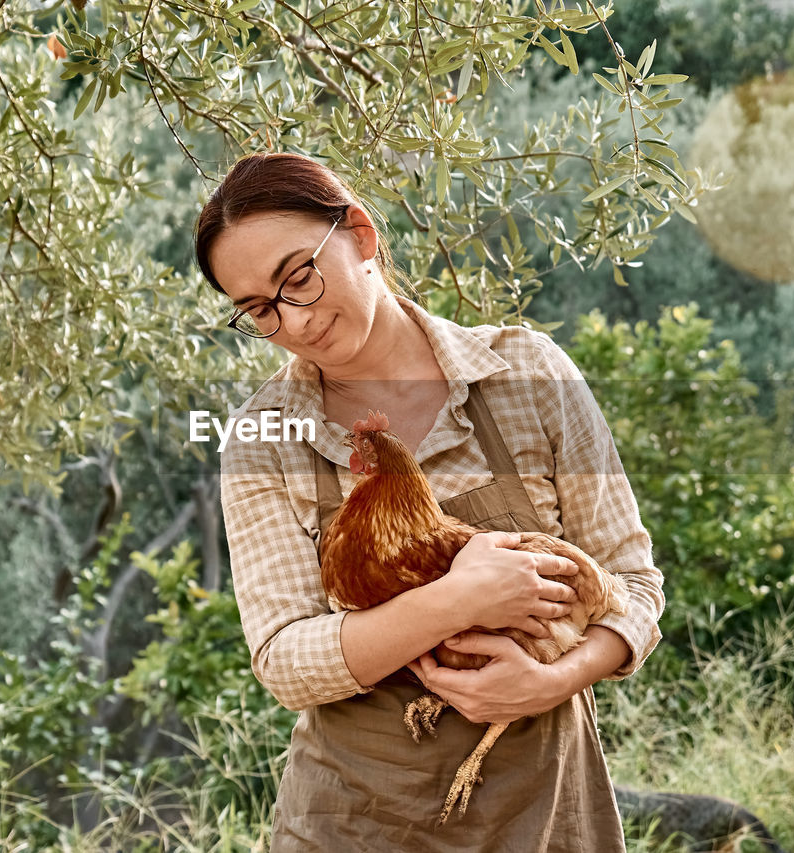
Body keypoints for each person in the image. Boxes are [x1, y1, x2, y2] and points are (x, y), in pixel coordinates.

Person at [196, 151, 663, 851]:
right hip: (353, 823)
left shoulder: (529, 374)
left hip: (540, 816)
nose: (293, 320)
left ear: (360, 233)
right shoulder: (264, 438)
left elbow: (634, 583)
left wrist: (552, 679)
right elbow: (284, 657)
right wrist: (459, 599)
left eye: (298, 276)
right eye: (259, 309)